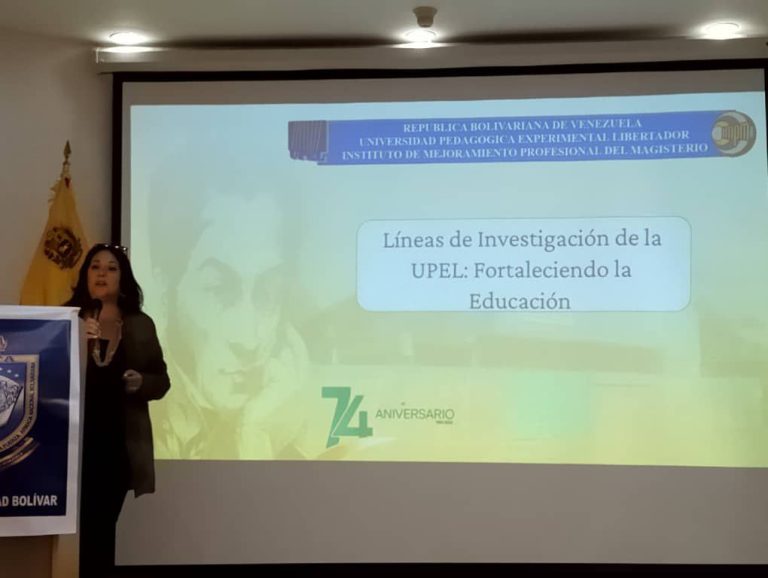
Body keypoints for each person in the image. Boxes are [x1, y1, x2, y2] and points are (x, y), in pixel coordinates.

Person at [148, 188, 309, 460]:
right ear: (166, 289)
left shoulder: (295, 438)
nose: (248, 339)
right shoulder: (135, 419)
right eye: (218, 288)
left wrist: (255, 435)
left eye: (268, 293)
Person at [65, 243, 170, 578]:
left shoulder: (140, 324)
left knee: (100, 533)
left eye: (111, 268)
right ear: (85, 275)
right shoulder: (67, 318)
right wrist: (76, 339)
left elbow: (162, 380)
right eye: (95, 266)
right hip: (71, 447)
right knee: (72, 536)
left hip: (118, 447)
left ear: (123, 278)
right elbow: (46, 372)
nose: (102, 274)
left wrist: (143, 382)